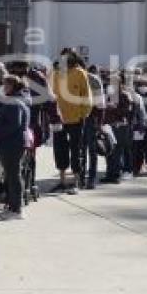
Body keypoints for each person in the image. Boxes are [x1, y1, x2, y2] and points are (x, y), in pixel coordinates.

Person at [50, 50, 93, 193]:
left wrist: (83, 114)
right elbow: (51, 95)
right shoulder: (55, 73)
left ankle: (76, 182)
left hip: (76, 119)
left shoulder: (80, 73)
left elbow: (87, 97)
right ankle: (62, 181)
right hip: (59, 119)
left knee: (76, 150)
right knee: (59, 150)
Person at [0, 75, 30, 220]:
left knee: (13, 176)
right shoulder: (17, 100)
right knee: (12, 175)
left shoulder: (14, 102)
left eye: (5, 85)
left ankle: (16, 209)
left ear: (12, 86)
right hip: (13, 143)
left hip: (12, 144)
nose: (3, 87)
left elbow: (14, 124)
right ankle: (13, 206)